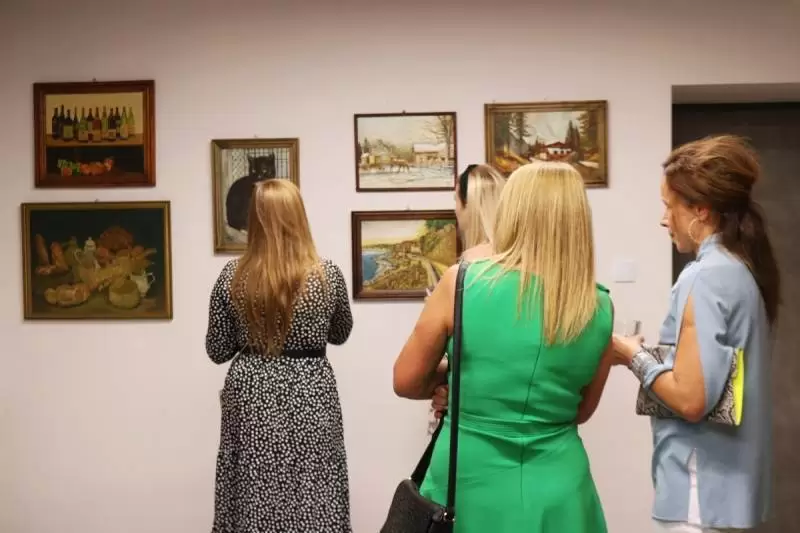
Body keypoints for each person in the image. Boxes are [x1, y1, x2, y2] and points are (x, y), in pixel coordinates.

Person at [394, 161, 615, 532]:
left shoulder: (463, 283)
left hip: (469, 478)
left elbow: (406, 381)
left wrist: (454, 379)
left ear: (513, 212)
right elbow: (582, 410)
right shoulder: (599, 304)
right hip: (560, 485)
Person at [611, 135, 780, 532]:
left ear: (700, 210)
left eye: (668, 206)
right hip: (725, 482)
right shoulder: (740, 269)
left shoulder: (705, 277)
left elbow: (691, 400)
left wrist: (633, 356)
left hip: (699, 485)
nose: (663, 220)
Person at [205, 179, 354, 533]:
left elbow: (217, 349)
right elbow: (341, 333)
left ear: (254, 219)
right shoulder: (328, 275)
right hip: (311, 392)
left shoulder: (232, 276)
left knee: (252, 482)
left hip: (252, 394)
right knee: (316, 480)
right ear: (299, 217)